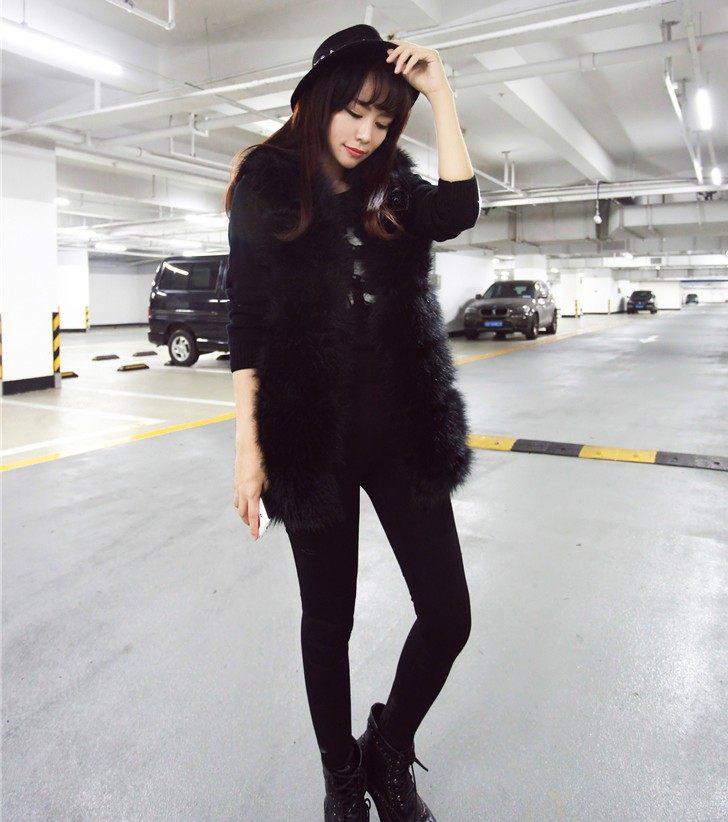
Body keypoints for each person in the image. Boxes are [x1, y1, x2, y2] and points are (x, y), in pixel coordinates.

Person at [224, 23, 480, 822]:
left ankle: (387, 748)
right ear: (318, 101)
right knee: (328, 621)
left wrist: (440, 93)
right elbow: (247, 324)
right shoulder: (267, 185)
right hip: (312, 432)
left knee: (449, 614)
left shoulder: (394, 187)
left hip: (402, 423)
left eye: (383, 119)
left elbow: (459, 209)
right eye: (355, 112)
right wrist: (248, 451)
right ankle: (342, 777)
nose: (366, 132)